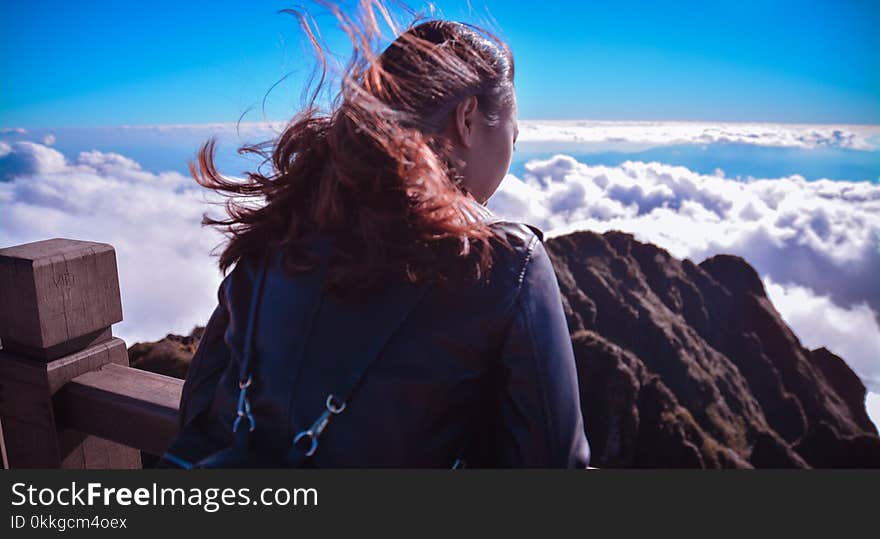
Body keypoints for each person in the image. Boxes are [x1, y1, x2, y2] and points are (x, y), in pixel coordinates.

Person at [160, 1, 589, 468]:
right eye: (513, 133)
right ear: (467, 119)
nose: (512, 150)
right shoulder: (504, 259)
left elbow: (200, 404)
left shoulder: (288, 220)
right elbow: (552, 466)